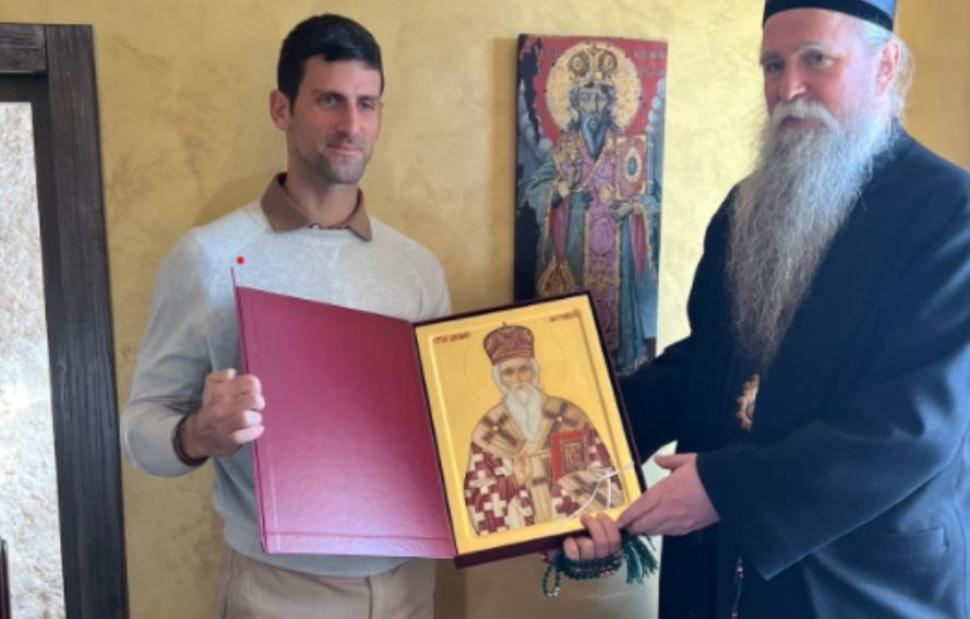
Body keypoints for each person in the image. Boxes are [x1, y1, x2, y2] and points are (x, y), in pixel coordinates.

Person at [567, 1, 970, 617]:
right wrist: (583, 446)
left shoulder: (950, 216)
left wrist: (726, 492)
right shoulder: (747, 205)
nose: (789, 89)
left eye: (817, 60)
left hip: (864, 586)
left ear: (886, 64)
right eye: (773, 65)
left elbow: (912, 426)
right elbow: (705, 363)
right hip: (716, 574)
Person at [121, 14, 449, 618]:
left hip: (410, 585)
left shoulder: (418, 269)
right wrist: (196, 434)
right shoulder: (208, 258)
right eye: (329, 100)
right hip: (279, 592)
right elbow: (140, 429)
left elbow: (444, 431)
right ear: (282, 108)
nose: (351, 125)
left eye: (367, 104)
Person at [522, 42, 660, 376]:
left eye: (600, 99)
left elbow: (651, 199)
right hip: (576, 249)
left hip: (617, 252)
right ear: (574, 104)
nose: (593, 108)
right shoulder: (565, 149)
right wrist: (562, 190)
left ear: (611, 103)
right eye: (586, 99)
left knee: (616, 355)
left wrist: (631, 208)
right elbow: (535, 191)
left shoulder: (628, 147)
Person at [464, 324, 624, 535]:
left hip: (575, 525)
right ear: (499, 380)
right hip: (523, 534)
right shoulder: (488, 431)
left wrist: (567, 480)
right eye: (508, 373)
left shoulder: (569, 416)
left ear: (535, 372)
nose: (518, 379)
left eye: (524, 369)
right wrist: (514, 481)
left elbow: (607, 475)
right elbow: (475, 497)